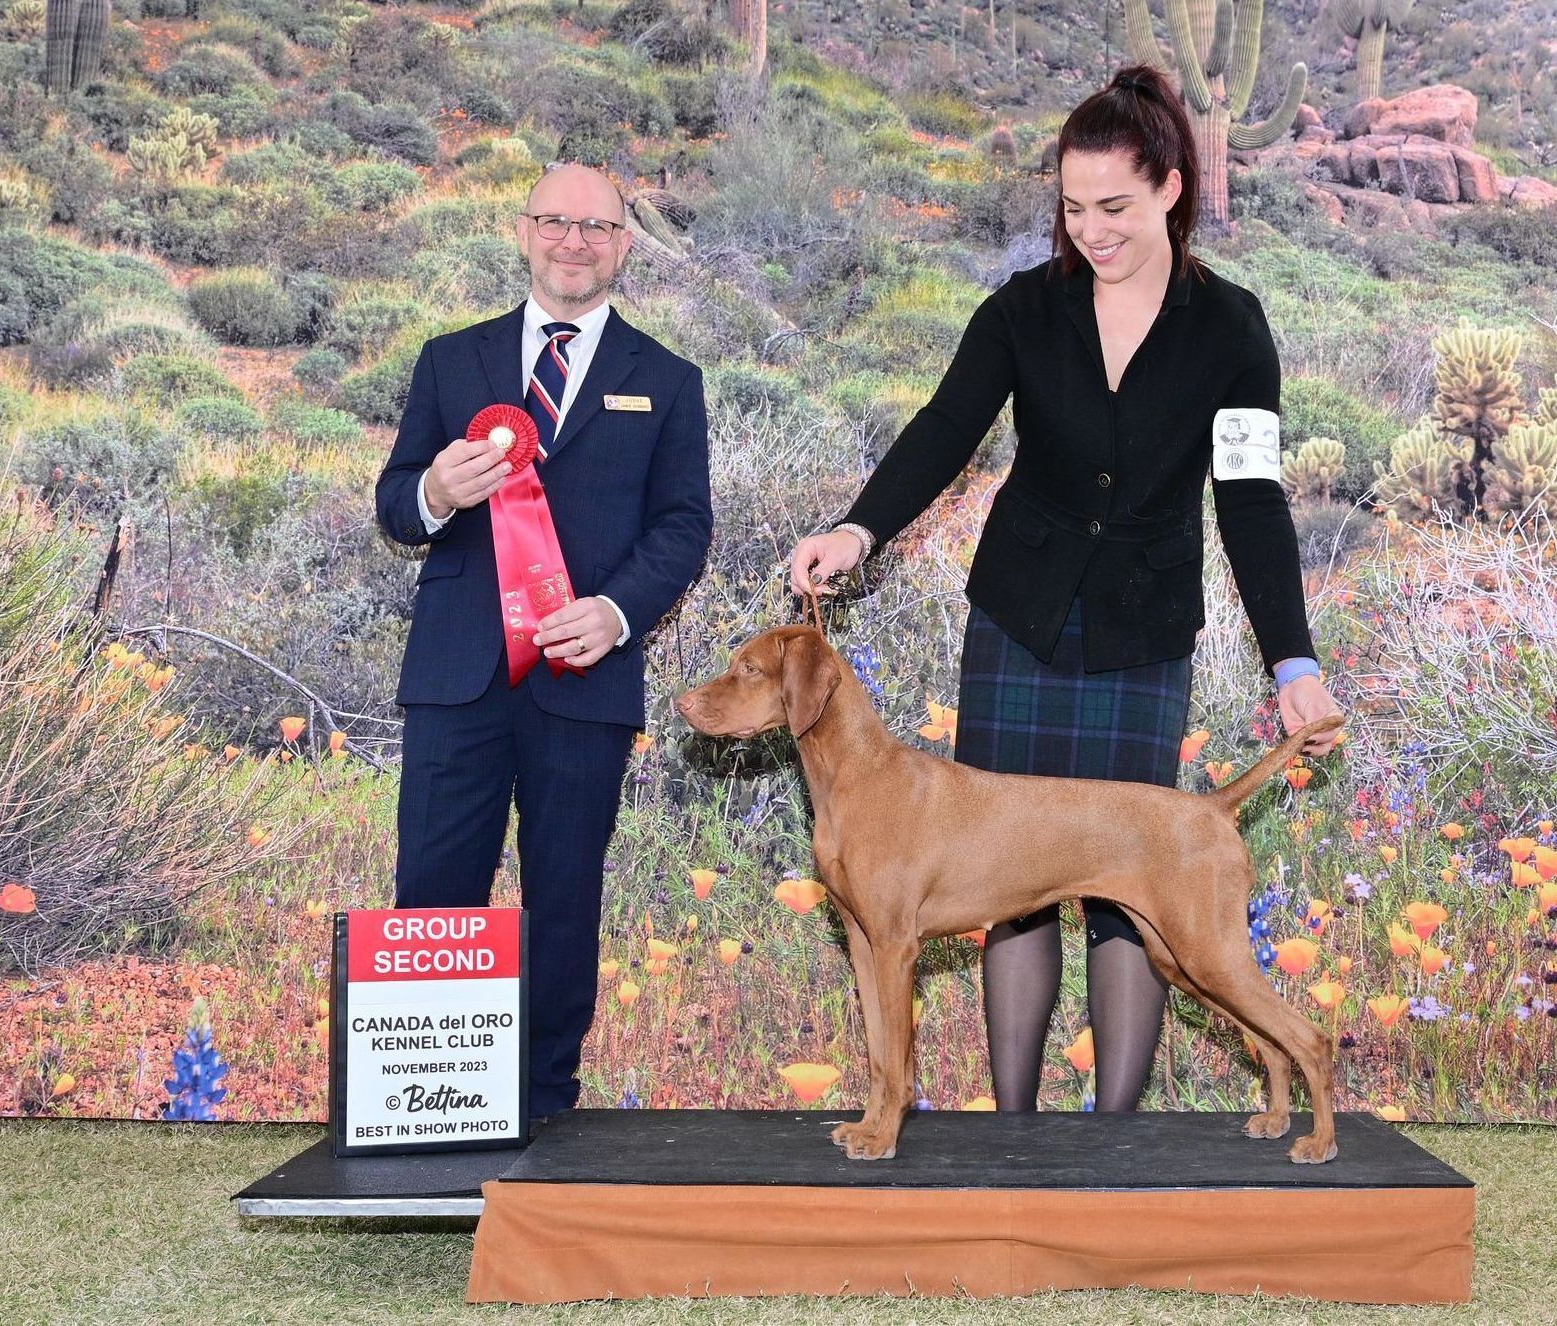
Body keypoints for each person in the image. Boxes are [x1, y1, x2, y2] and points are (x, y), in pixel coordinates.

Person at [788, 66, 1342, 1114]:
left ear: (1172, 189)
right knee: (1014, 896)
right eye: (1073, 207)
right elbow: (945, 428)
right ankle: (1015, 1133)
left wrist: (1294, 661)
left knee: (1130, 897)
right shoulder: (1022, 311)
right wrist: (858, 528)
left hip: (1143, 634)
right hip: (1019, 625)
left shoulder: (1231, 327)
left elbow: (1253, 500)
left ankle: (1113, 1141)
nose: (1091, 230)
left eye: (1115, 208)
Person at [376, 162, 712, 1118]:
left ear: (624, 245)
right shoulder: (450, 361)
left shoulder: (669, 380)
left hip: (582, 679)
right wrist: (437, 493)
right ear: (522, 232)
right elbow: (395, 503)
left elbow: (684, 527)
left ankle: (546, 1106)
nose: (575, 242)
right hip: (457, 679)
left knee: (565, 904)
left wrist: (614, 614)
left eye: (597, 227)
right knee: (435, 898)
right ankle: (423, 1108)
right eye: (556, 223)